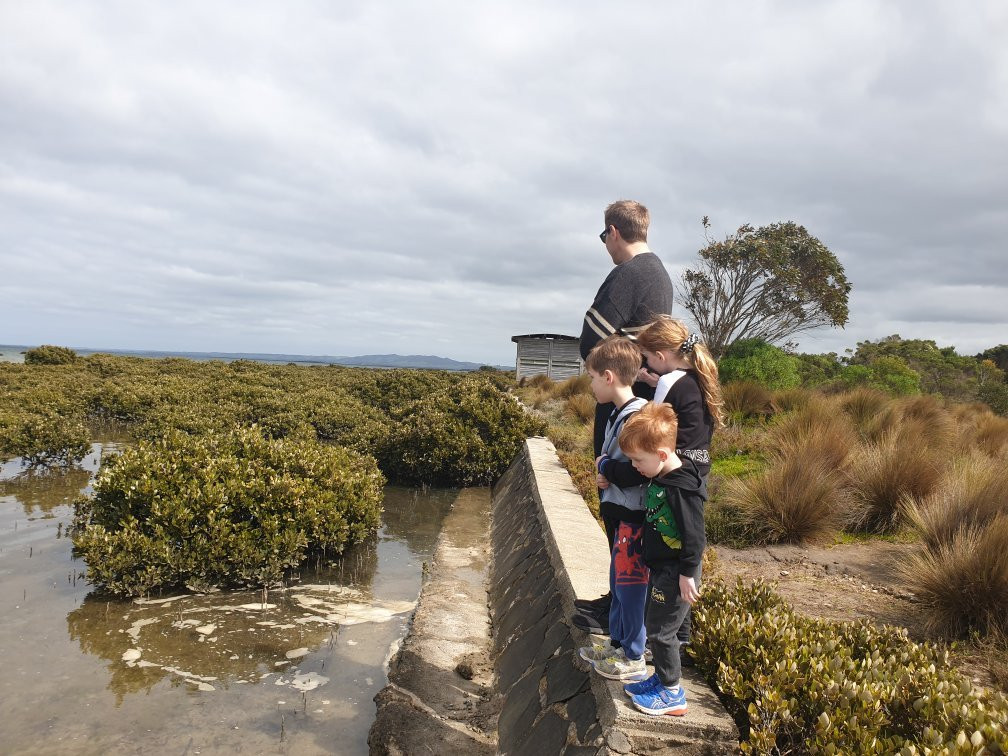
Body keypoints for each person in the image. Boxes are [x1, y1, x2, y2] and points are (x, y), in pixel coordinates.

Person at [575, 200, 675, 631]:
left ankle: (618, 602)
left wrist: (602, 368)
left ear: (614, 231)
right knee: (633, 503)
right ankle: (621, 596)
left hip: (619, 401)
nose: (606, 246)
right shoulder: (661, 276)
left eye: (604, 237)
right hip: (642, 400)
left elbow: (589, 342)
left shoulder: (627, 275)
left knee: (615, 495)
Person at [599, 317, 723, 658]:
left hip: (670, 474)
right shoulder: (697, 377)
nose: (647, 367)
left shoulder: (669, 380)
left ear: (660, 355)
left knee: (667, 546)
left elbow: (654, 422)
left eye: (649, 361)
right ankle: (680, 636)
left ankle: (658, 642)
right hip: (697, 468)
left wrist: (612, 467)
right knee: (685, 536)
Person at [616, 403, 706, 717]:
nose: (635, 466)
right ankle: (661, 679)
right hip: (663, 568)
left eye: (639, 460)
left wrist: (688, 573)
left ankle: (671, 694)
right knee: (657, 624)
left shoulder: (682, 490)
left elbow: (695, 537)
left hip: (676, 572)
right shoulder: (664, 475)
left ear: (663, 455)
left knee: (660, 631)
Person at [574, 337, 650, 682]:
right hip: (620, 514)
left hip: (632, 518)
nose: (589, 384)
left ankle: (633, 656)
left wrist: (604, 468)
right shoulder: (619, 413)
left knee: (631, 586)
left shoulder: (634, 417)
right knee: (618, 582)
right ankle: (618, 643)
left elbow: (637, 471)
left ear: (608, 376)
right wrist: (605, 469)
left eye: (591, 377)